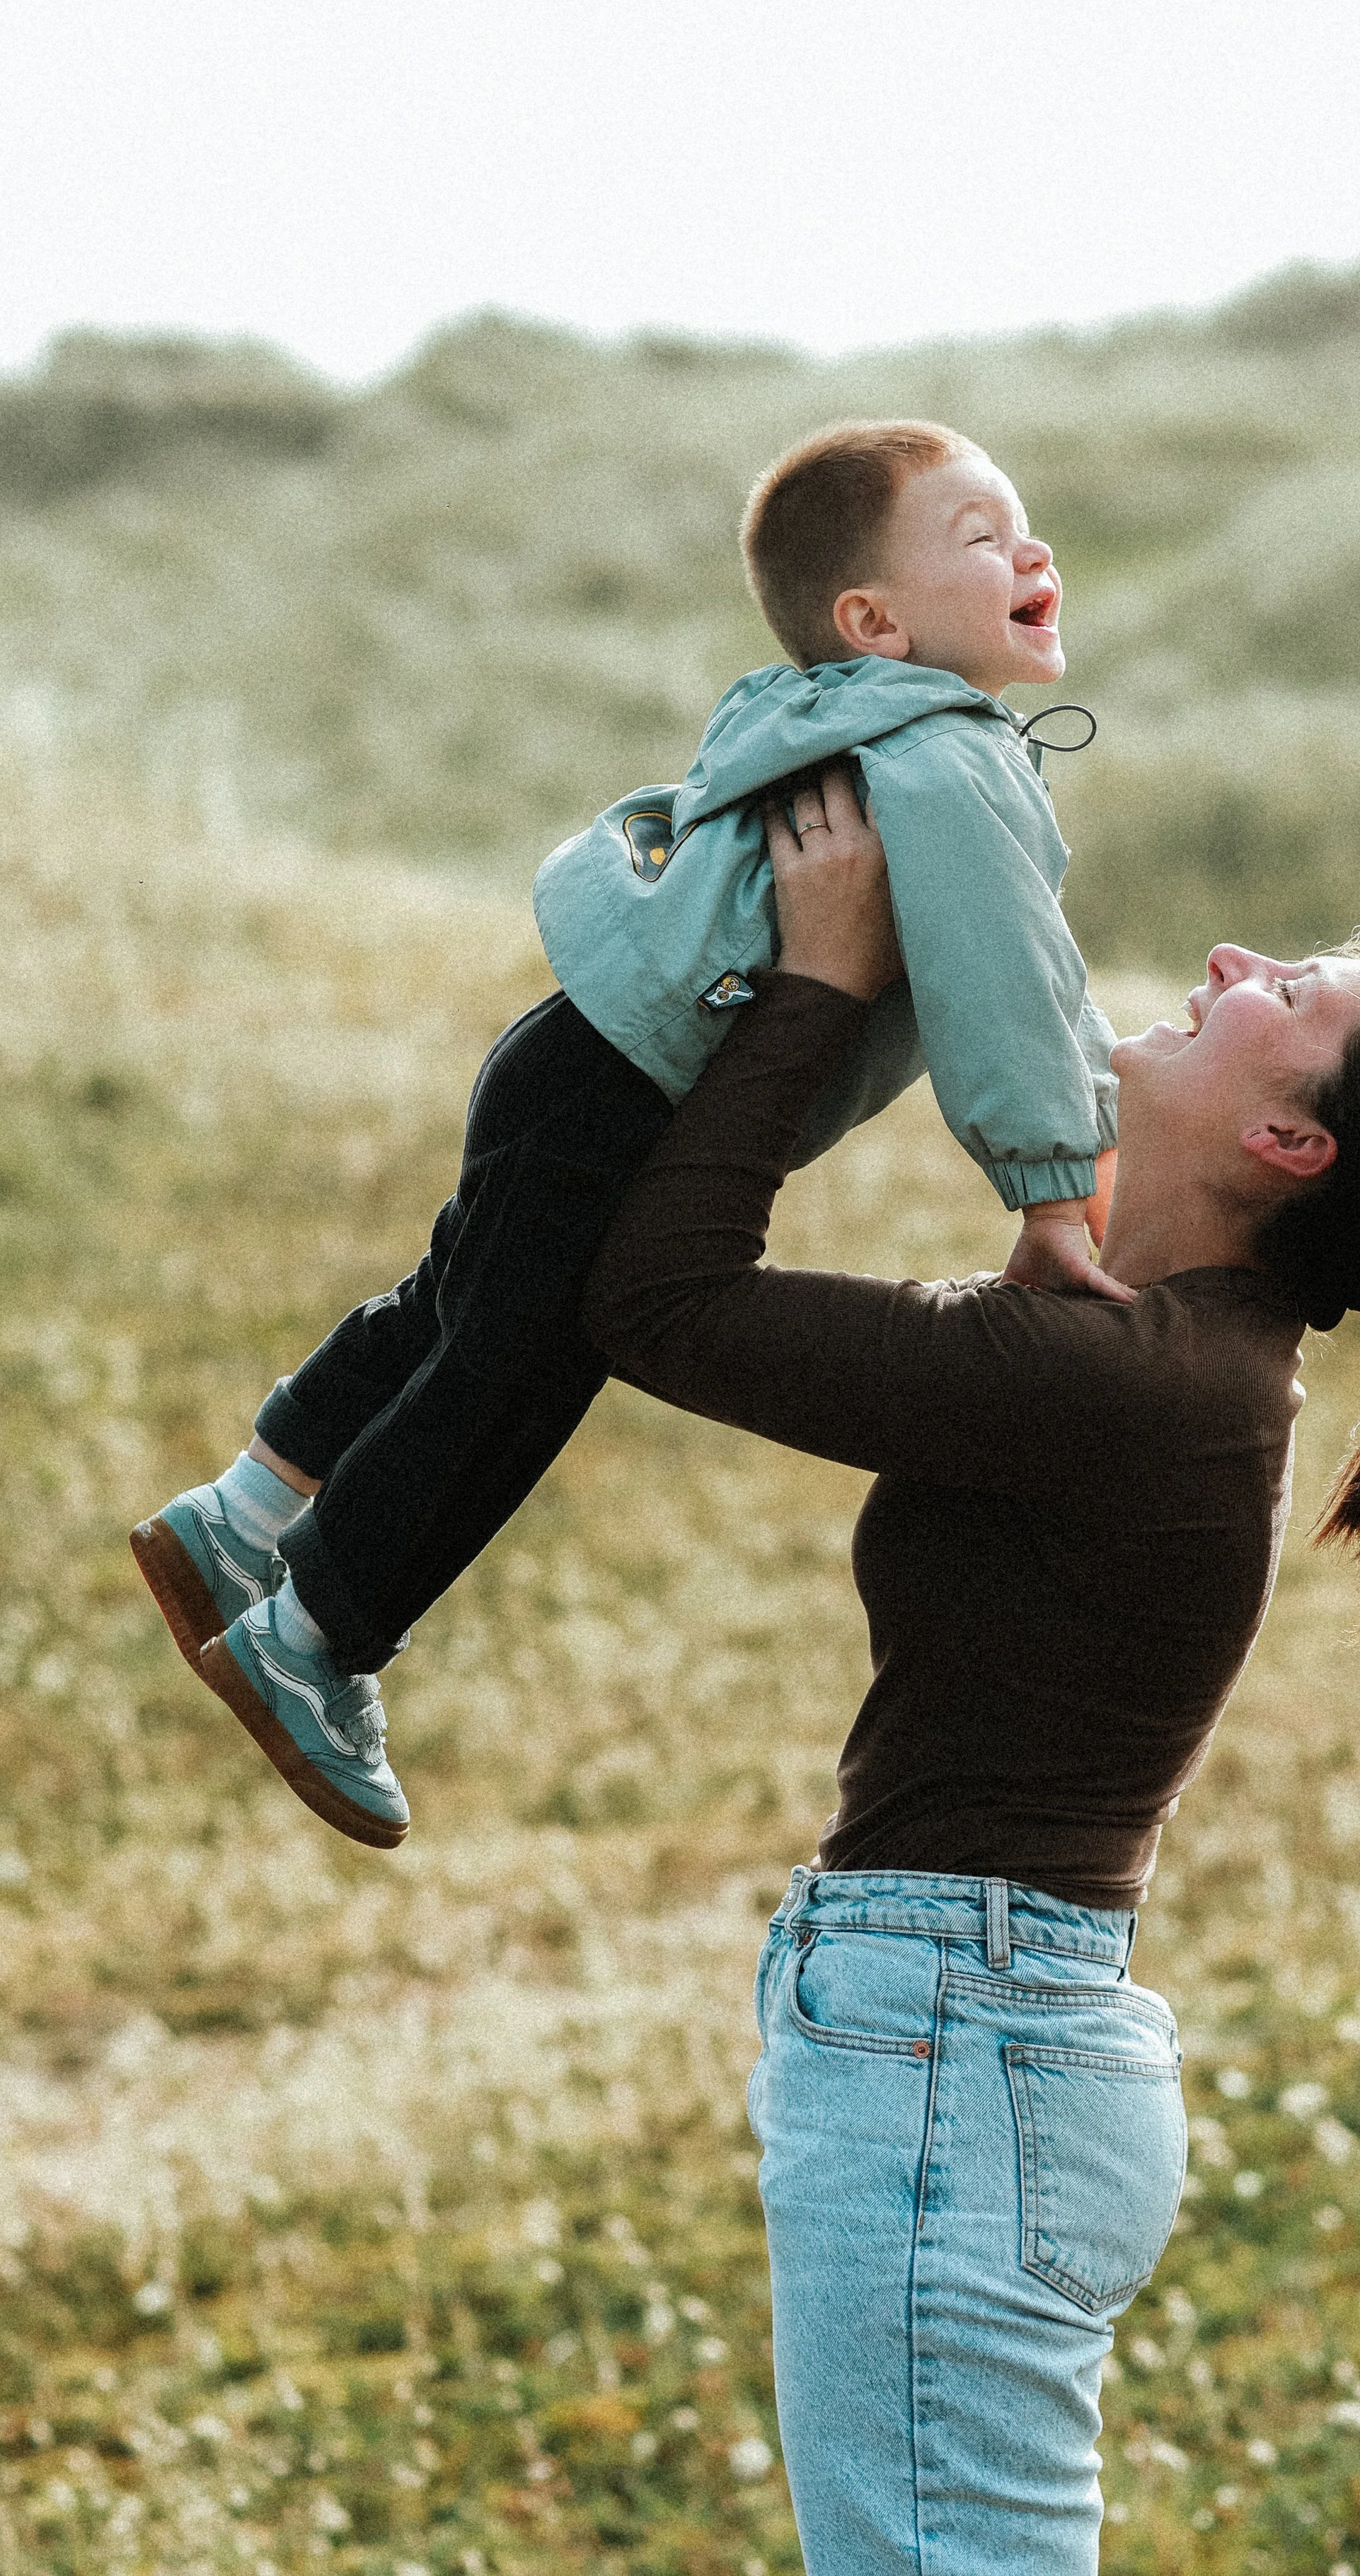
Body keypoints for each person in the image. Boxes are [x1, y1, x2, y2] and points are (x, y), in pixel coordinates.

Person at [577, 763, 1360, 2574]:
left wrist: (814, 977)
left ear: (1292, 1143)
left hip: (958, 2045)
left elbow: (657, 1302)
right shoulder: (1160, 1355)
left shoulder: (1128, 1387)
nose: (1235, 957)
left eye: (1290, 996)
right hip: (972, 2038)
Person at [129, 420, 1126, 1849]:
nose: (1029, 551)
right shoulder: (945, 754)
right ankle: (315, 1640)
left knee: (455, 1302)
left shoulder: (826, 713)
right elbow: (1001, 982)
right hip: (636, 1089)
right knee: (514, 1369)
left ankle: (246, 1508)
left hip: (565, 1055)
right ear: (873, 620)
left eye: (1024, 526)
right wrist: (1047, 1192)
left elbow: (1032, 968)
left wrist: (1098, 1097)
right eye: (979, 536)